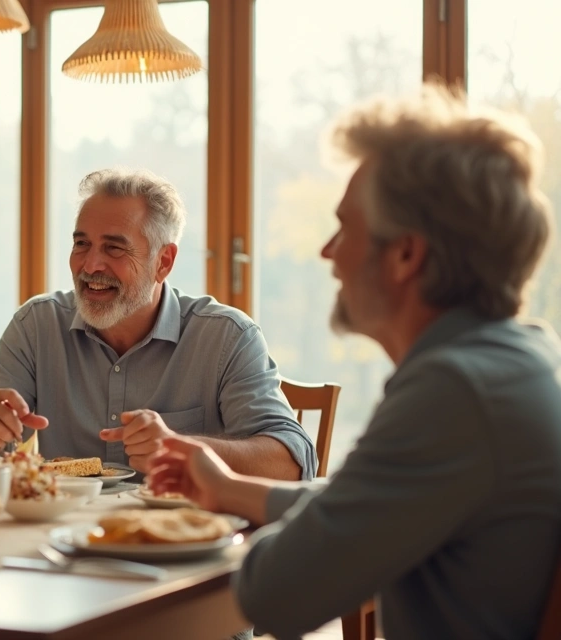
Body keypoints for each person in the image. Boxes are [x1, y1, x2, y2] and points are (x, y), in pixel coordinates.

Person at [146, 85, 561, 639]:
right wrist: (229, 490)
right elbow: (368, 504)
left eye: (346, 226)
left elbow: (274, 593)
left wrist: (200, 530)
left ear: (406, 255)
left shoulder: (452, 393)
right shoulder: (522, 360)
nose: (328, 251)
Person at [0, 168, 316, 480]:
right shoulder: (38, 325)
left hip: (185, 547)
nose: (91, 265)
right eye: (81, 244)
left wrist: (182, 450)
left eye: (114, 248)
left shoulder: (227, 337)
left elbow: (293, 462)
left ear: (163, 262)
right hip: (63, 551)